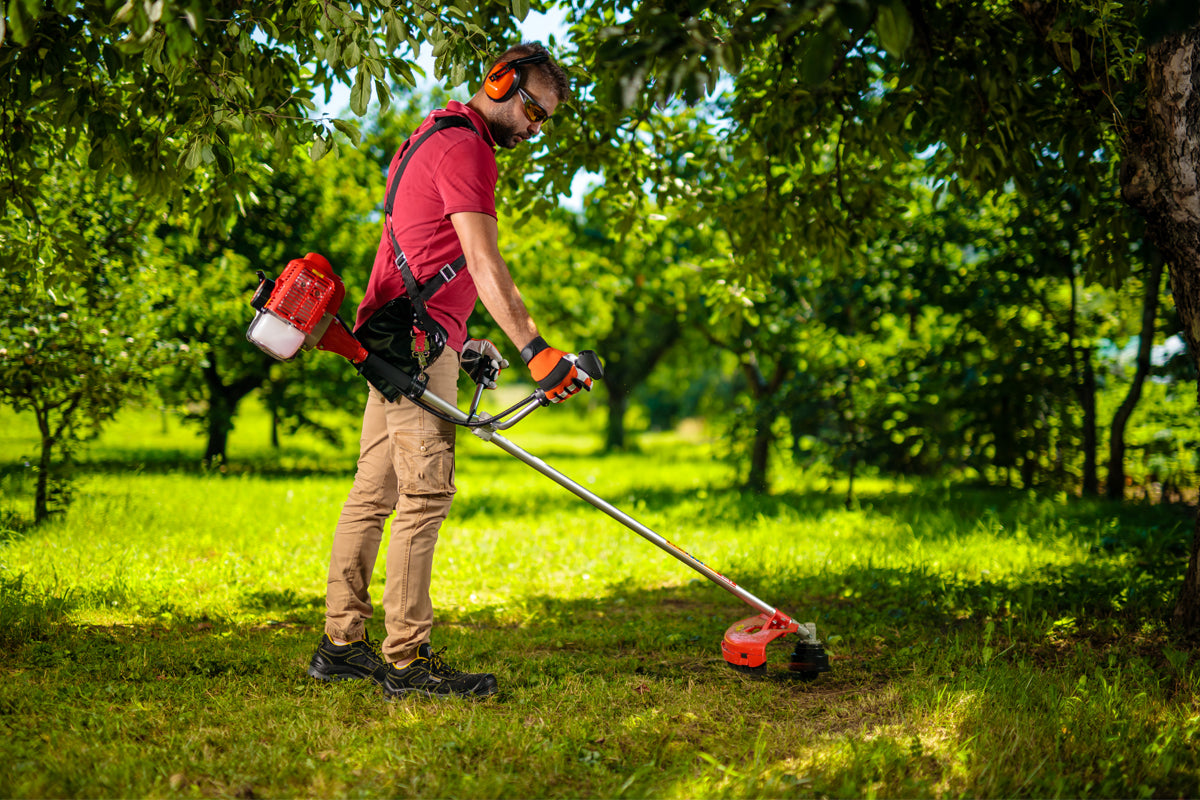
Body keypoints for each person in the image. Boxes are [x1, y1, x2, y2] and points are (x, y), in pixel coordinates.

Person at [306, 42, 590, 700]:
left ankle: (341, 645)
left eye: (544, 120)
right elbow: (483, 262)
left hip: (393, 339)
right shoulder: (469, 149)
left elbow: (428, 254)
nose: (535, 129)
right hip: (412, 346)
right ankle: (407, 662)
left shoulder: (431, 135)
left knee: (372, 495)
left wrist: (464, 339)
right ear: (500, 81)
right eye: (534, 110)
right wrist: (536, 351)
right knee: (424, 496)